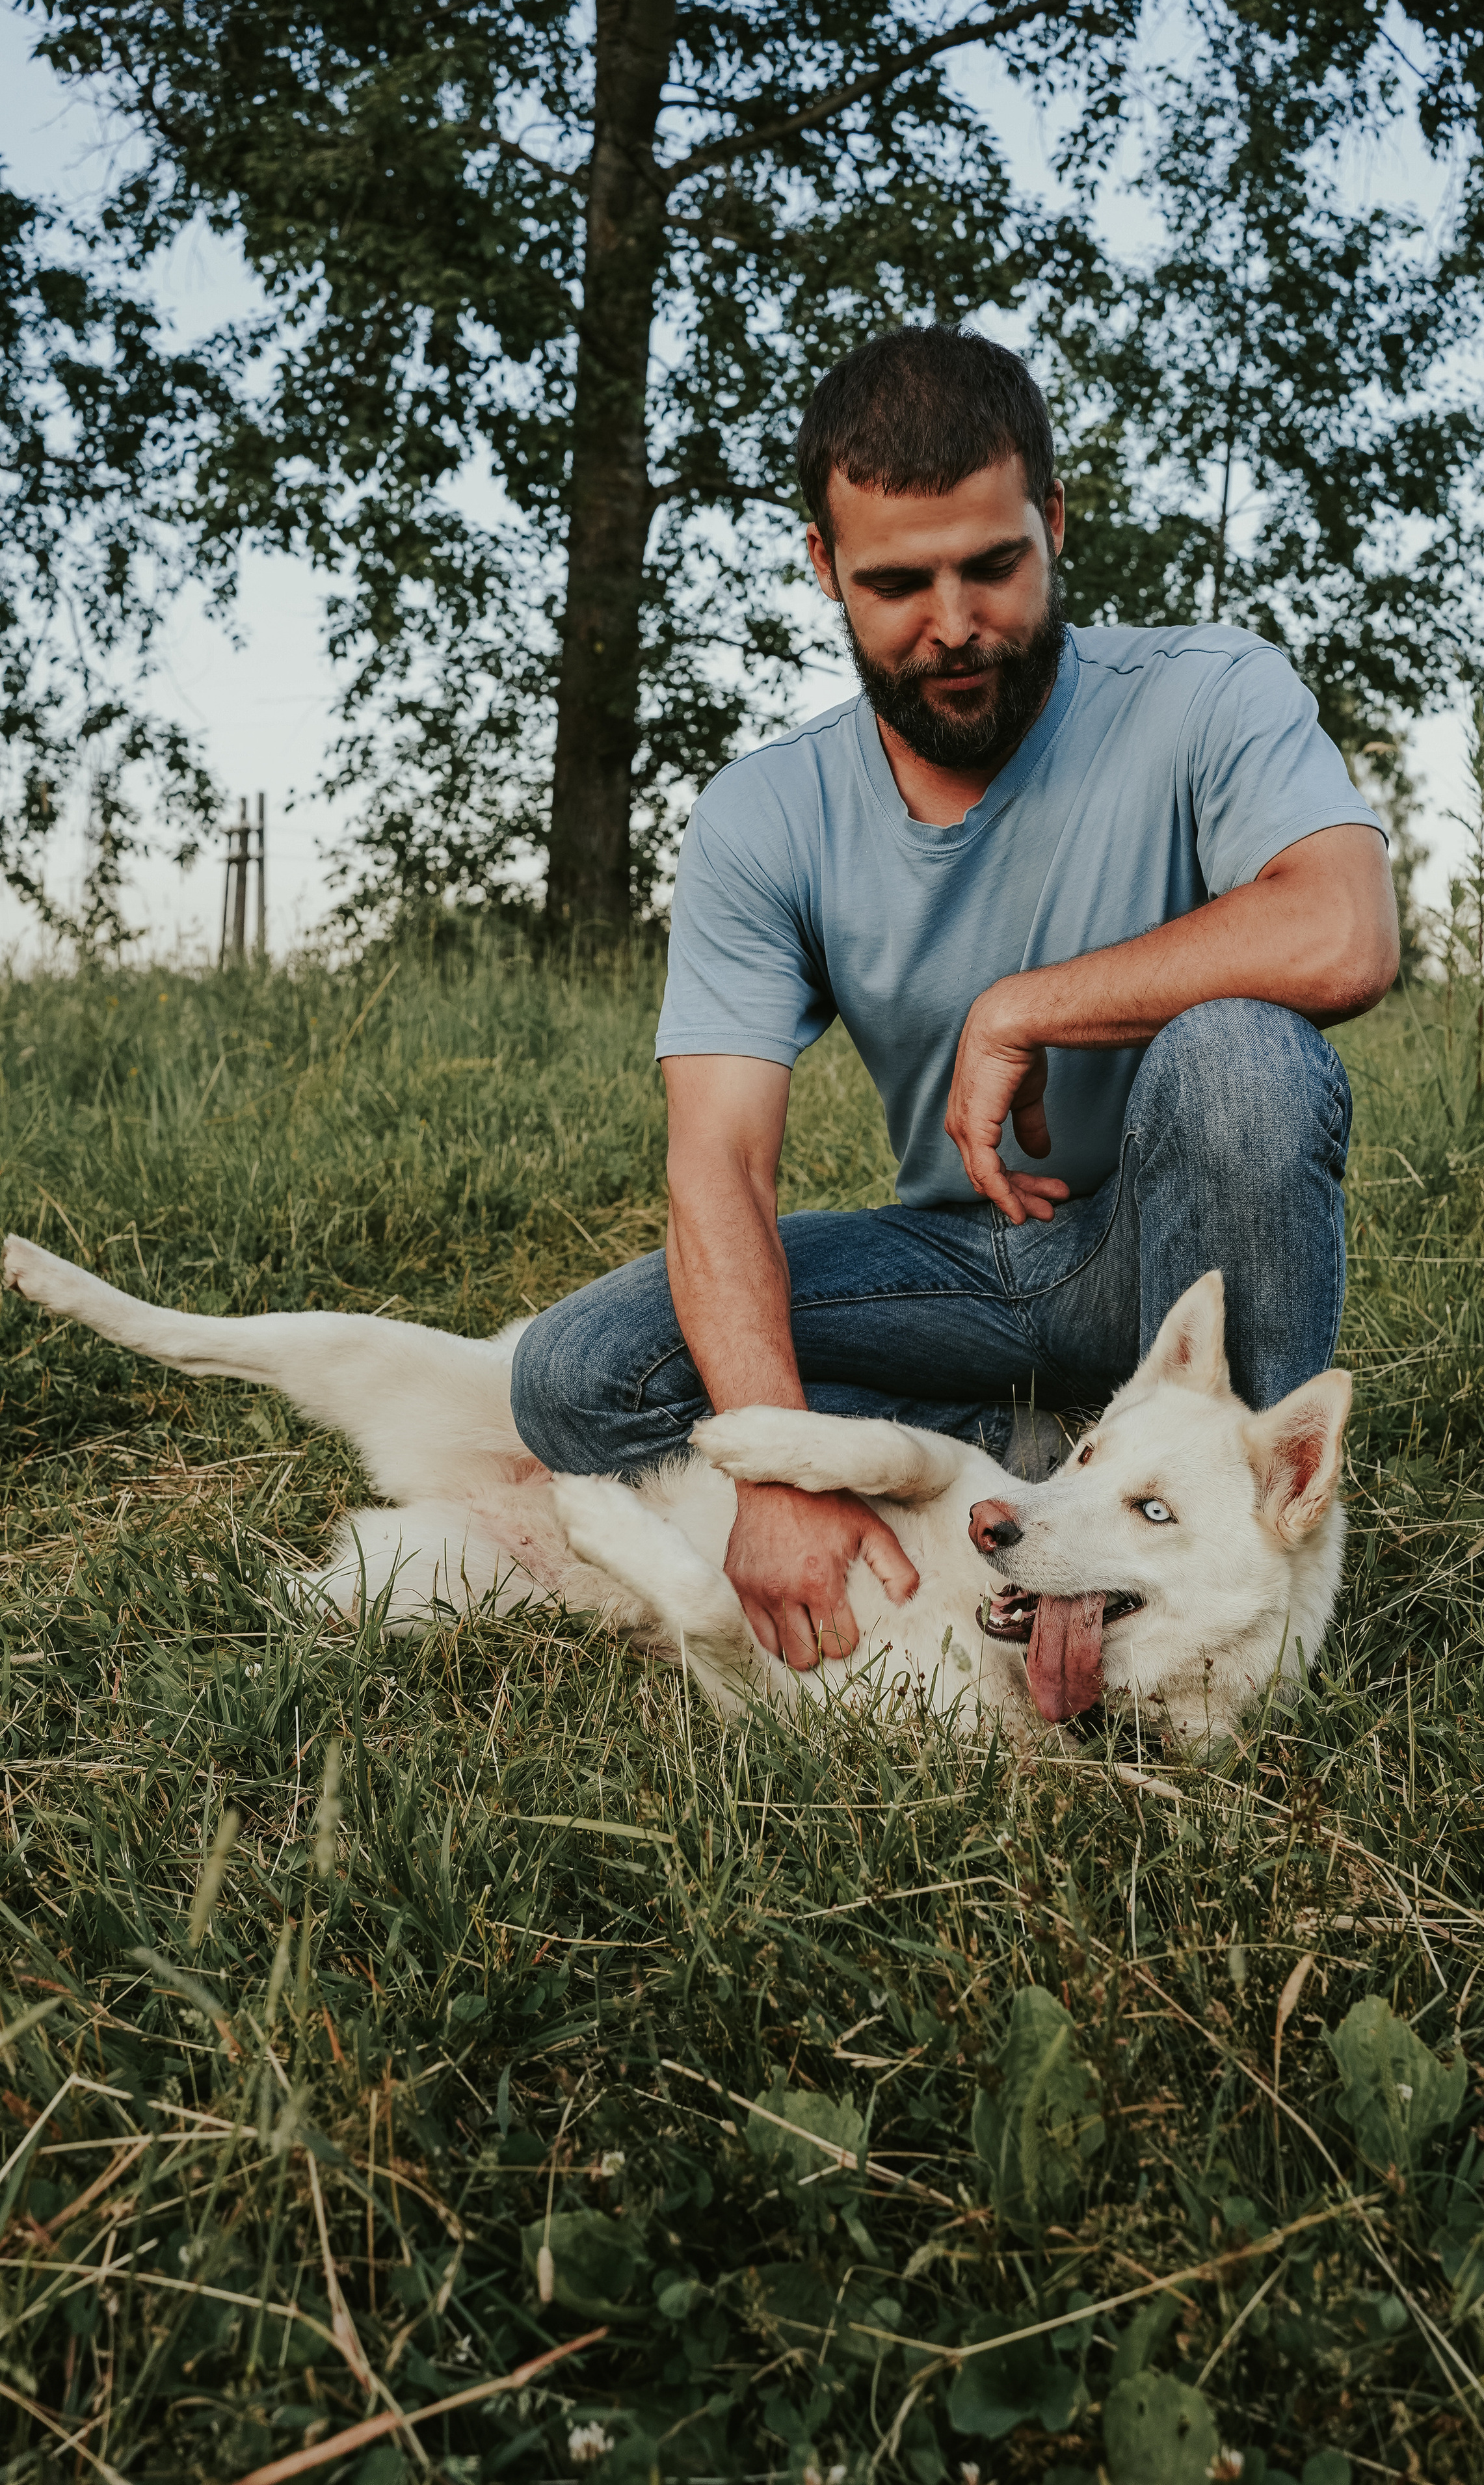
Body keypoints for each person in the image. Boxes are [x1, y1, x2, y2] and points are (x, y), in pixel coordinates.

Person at [511, 325, 1399, 1679]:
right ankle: (1029, 1470)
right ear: (823, 570)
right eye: (895, 584)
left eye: (992, 564)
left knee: (1240, 1061)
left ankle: (1250, 1596)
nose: (954, 624)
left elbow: (1342, 930)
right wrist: (777, 1474)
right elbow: (719, 1158)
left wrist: (1025, 1007)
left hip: (1165, 1267)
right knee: (575, 1377)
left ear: (1051, 521)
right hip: (956, 1272)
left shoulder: (1209, 691)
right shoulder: (765, 813)